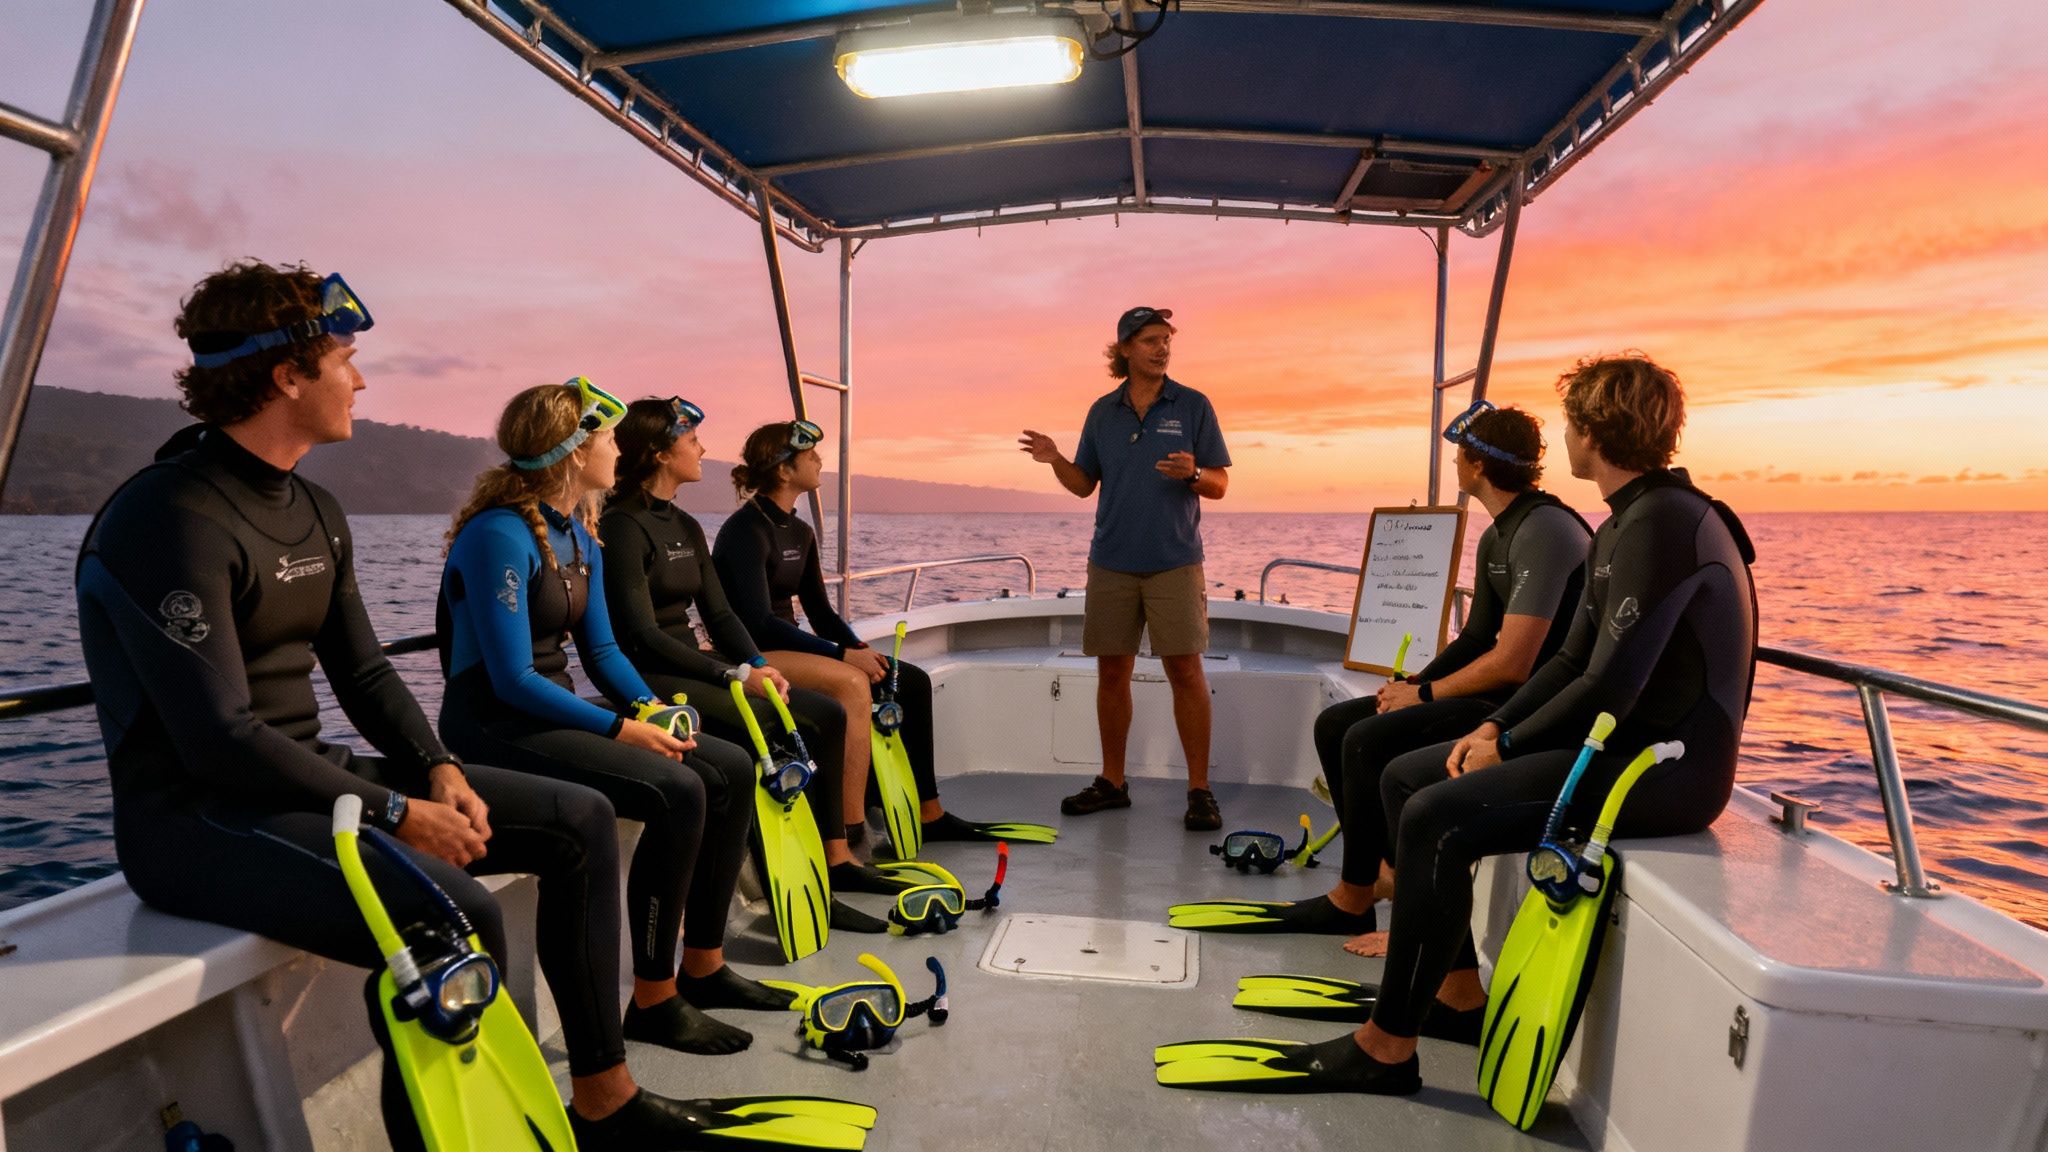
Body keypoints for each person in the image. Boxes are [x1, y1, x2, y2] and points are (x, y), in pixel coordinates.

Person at [73, 261, 738, 1147]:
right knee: (458, 913)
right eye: (345, 358)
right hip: (198, 818)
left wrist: (439, 769)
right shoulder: (171, 517)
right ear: (288, 374)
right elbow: (215, 738)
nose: (360, 378)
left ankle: (604, 1098)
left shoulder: (314, 507)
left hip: (311, 786)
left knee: (578, 821)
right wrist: (399, 810)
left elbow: (367, 674)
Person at [1289, 352, 1758, 1094]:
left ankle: (1386, 1048)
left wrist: (1504, 741)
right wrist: (1490, 732)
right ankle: (1456, 995)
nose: (1563, 440)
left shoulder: (1664, 523)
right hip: (1616, 747)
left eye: (1572, 422)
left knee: (1436, 816)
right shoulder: (1629, 517)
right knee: (1413, 774)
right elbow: (1570, 662)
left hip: (1667, 773)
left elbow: (1612, 681)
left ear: (1594, 431)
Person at [438, 377, 796, 1076]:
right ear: (573, 453)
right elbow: (511, 678)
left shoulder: (581, 535)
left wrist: (646, 709)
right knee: (679, 790)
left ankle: (704, 962)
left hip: (550, 707)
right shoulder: (497, 534)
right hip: (494, 721)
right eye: (604, 437)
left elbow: (600, 652)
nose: (615, 448)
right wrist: (618, 734)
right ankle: (654, 998)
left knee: (727, 765)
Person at [1307, 402, 1590, 954]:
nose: (1456, 465)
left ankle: (1380, 900)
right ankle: (1373, 881)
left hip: (1526, 707)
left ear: (1475, 463)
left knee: (1369, 743)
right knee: (1337, 724)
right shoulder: (1500, 535)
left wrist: (1427, 694)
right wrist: (1409, 686)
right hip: (1494, 692)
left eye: (1459, 456)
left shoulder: (1547, 529)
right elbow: (1476, 638)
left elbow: (1513, 662)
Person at [598, 399, 901, 913]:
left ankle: (836, 861)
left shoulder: (686, 525)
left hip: (698, 664)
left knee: (824, 713)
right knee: (784, 726)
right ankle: (808, 867)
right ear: (659, 454)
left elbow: (721, 617)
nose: (703, 450)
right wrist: (736, 672)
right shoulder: (624, 526)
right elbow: (643, 634)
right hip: (651, 676)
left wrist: (760, 667)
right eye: (691, 441)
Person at [710, 419, 1008, 854]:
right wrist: (841, 656)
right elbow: (756, 620)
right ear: (783, 470)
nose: (819, 461)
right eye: (809, 456)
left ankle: (929, 813)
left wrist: (860, 648)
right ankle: (851, 831)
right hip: (757, 650)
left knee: (908, 680)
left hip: (791, 642)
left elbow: (820, 611)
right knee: (855, 683)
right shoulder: (745, 530)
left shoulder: (800, 531)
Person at [1018, 305, 1233, 830]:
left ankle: (1199, 791)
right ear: (1125, 350)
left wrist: (1193, 474)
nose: (1162, 349)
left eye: (1166, 340)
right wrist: (1054, 459)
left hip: (1175, 562)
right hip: (1111, 562)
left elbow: (1221, 484)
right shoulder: (1102, 412)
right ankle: (1113, 782)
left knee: (1186, 671)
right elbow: (1083, 484)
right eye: (1151, 341)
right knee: (1111, 673)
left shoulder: (1194, 405)